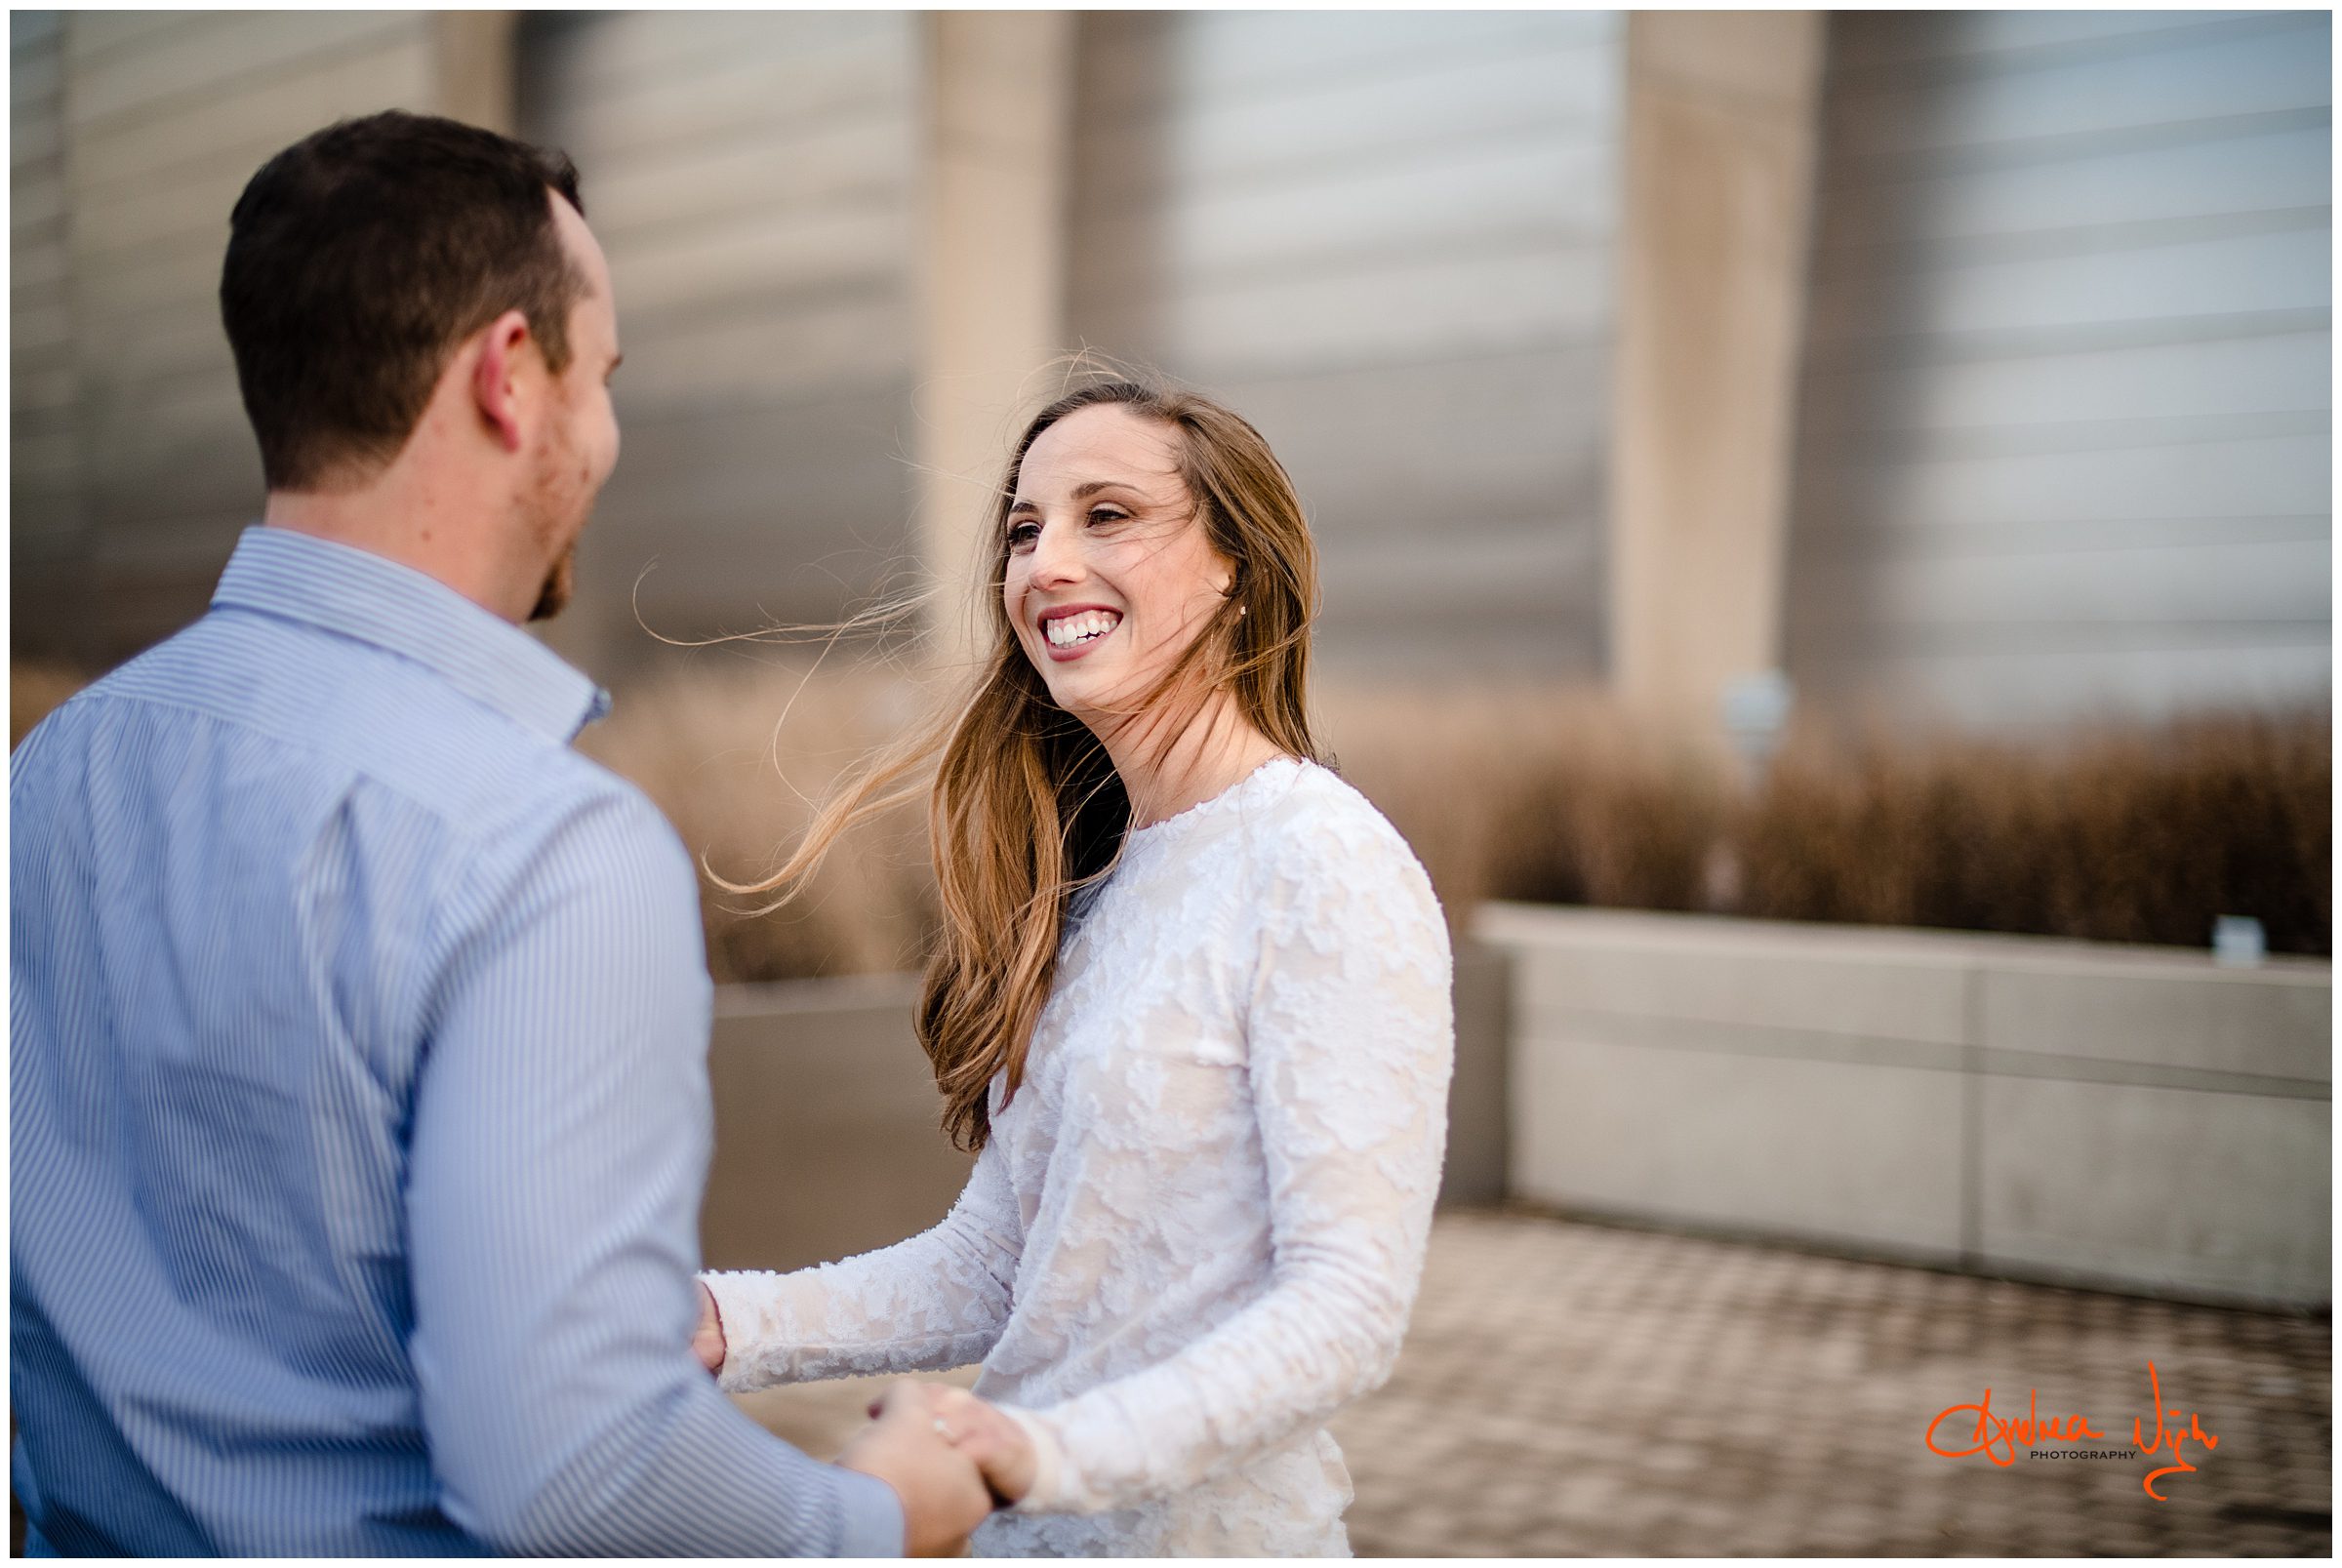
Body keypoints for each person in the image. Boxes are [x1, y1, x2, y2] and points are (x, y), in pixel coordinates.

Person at [8, 110, 997, 1556]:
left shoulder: (53, 770)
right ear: (509, 378)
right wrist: (878, 1511)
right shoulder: (546, 854)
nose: (606, 432)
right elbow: (574, 1471)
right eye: (601, 376)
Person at [694, 380, 1457, 1555]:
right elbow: (1002, 1265)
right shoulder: (1096, 881)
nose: (1048, 560)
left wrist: (1045, 1455)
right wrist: (722, 1320)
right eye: (1024, 527)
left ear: (1234, 570)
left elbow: (1345, 1309)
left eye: (1108, 515)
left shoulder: (1322, 860)